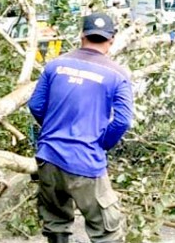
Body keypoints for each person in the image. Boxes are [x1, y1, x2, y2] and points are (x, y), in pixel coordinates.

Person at [28, 12, 134, 243]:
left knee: (56, 222)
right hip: (85, 161)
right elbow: (123, 120)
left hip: (48, 157)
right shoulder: (117, 75)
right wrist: (102, 143)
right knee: (106, 231)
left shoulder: (55, 66)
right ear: (112, 39)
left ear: (81, 35)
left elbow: (35, 105)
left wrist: (54, 129)